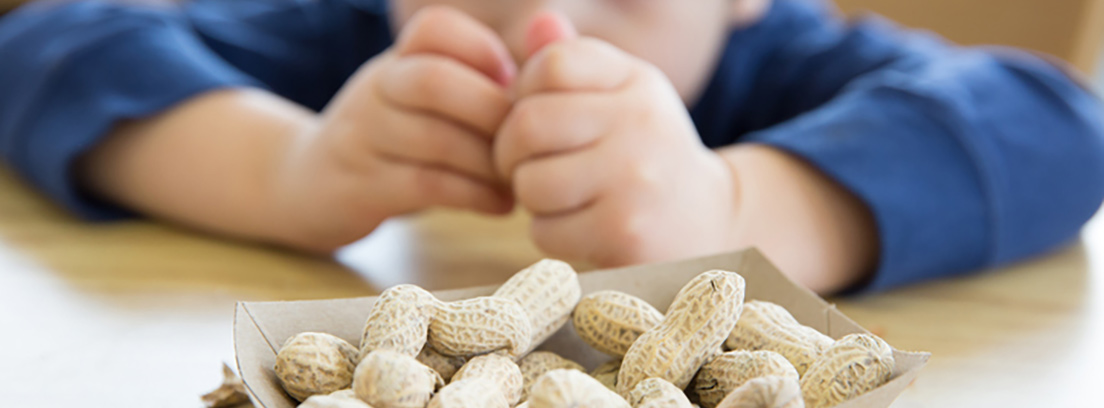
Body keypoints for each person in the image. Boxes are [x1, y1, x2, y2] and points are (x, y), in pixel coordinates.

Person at [1, 0, 1102, 294]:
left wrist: (738, 213)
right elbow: (49, 43)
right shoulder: (349, 41)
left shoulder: (794, 65)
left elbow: (1061, 125)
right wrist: (283, 170)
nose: (544, 22)